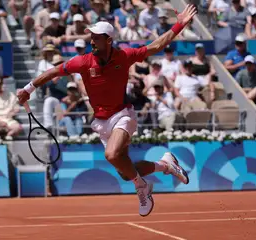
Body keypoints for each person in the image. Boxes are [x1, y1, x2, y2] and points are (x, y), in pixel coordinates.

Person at [17, 4, 197, 217]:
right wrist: (28, 88)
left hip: (123, 115)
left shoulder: (124, 56)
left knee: (111, 154)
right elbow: (54, 71)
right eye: (91, 37)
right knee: (125, 171)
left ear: (109, 40)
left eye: (97, 37)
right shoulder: (83, 62)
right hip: (101, 122)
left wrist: (179, 25)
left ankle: (142, 187)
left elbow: (156, 46)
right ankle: (165, 165)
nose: (92, 41)